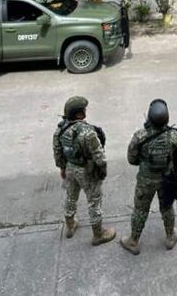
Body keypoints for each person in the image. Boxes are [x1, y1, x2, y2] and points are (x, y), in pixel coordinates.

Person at [120, 99, 177, 255]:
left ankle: (133, 241)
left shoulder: (140, 136)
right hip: (166, 178)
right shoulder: (174, 136)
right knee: (166, 207)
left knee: (140, 210)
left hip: (145, 180)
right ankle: (170, 237)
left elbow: (132, 159)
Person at [52, 96, 115, 246]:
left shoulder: (60, 129)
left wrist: (62, 168)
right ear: (79, 114)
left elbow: (57, 150)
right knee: (94, 201)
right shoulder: (88, 132)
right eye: (84, 109)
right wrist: (102, 169)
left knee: (71, 196)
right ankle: (98, 234)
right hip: (86, 171)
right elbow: (99, 155)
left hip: (70, 168)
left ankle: (70, 223)